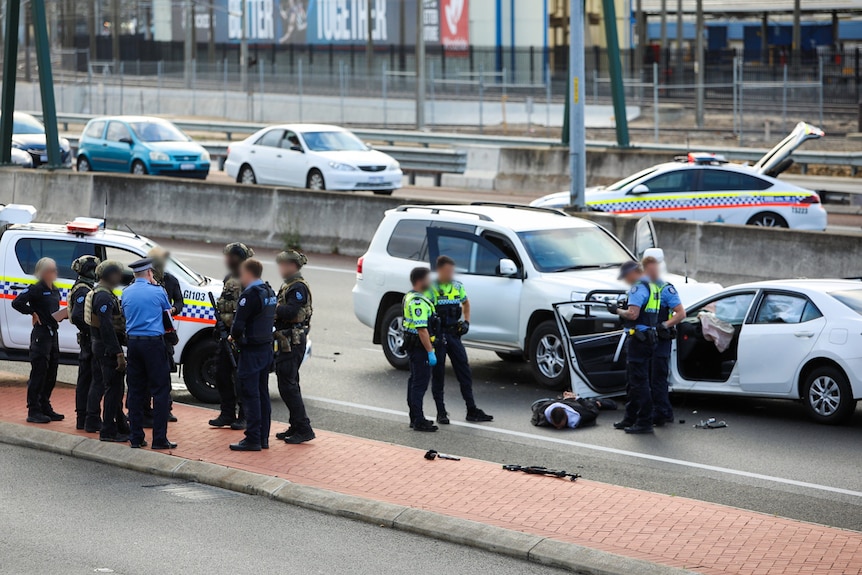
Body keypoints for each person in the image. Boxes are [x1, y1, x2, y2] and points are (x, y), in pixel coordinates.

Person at [426, 256, 493, 425]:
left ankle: (472, 410)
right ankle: (441, 412)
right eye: (447, 271)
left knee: (464, 371)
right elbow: (425, 313)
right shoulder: (431, 288)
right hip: (439, 337)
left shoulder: (457, 286)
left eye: (452, 271)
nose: (450, 274)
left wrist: (466, 322)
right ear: (439, 270)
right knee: (439, 374)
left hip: (454, 335)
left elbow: (466, 303)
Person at [122, 258, 176, 450]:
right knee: (160, 391)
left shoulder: (126, 292)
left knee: (135, 391)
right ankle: (159, 439)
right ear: (149, 273)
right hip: (153, 344)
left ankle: (136, 437)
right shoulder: (158, 291)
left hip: (134, 344)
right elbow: (167, 314)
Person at [229, 259, 277, 452]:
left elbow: (238, 325)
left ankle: (253, 439)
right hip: (266, 349)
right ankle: (263, 437)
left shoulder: (249, 295)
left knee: (251, 395)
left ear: (248, 273)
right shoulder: (269, 292)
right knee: (262, 394)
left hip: (252, 351)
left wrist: (233, 337)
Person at [608, 260, 660, 434]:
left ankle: (644, 422)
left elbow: (633, 313)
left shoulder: (637, 288)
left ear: (632, 273)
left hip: (639, 339)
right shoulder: (652, 286)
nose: (626, 280)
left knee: (639, 382)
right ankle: (630, 418)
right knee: (634, 381)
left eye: (626, 277)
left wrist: (617, 310)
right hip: (648, 337)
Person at [12, 257, 64, 423]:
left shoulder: (55, 289)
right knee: (39, 372)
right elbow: (17, 303)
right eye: (51, 270)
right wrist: (32, 312)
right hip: (41, 335)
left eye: (55, 269)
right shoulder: (36, 289)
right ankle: (33, 409)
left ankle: (44, 404)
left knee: (52, 371)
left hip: (53, 333)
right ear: (43, 272)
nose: (54, 273)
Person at [209, 242, 255, 430]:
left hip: (239, 336)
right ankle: (227, 413)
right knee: (221, 374)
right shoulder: (230, 278)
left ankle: (244, 415)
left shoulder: (248, 279)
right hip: (225, 334)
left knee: (240, 377)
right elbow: (224, 305)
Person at [272, 250, 315, 445]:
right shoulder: (289, 285)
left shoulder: (298, 287)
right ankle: (296, 425)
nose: (280, 268)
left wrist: (272, 308)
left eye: (282, 264)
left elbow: (293, 312)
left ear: (291, 266)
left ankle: (304, 428)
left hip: (293, 341)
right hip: (286, 340)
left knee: (287, 385)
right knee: (289, 383)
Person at [87, 261, 130, 443]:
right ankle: (108, 430)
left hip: (102, 347)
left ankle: (120, 426)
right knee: (113, 390)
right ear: (110, 275)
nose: (120, 277)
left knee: (115, 389)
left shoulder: (103, 293)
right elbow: (106, 327)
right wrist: (117, 353)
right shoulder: (104, 297)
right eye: (117, 274)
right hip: (107, 349)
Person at [642, 256, 686, 427]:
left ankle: (660, 413)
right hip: (647, 340)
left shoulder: (666, 289)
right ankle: (663, 411)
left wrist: (664, 325)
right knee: (649, 377)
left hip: (661, 340)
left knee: (657, 379)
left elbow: (681, 313)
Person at [148, 246, 184, 423]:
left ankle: (165, 409)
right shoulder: (144, 279)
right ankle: (144, 408)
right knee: (145, 373)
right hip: (148, 332)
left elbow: (179, 301)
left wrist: (174, 309)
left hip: (165, 331)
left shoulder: (171, 280)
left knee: (164, 373)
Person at [403, 267, 439, 432]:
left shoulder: (410, 296)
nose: (430, 282)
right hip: (420, 348)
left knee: (414, 382)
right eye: (428, 279)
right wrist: (430, 351)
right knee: (419, 384)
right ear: (420, 281)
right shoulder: (417, 302)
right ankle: (418, 420)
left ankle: (415, 417)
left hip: (414, 347)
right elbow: (422, 329)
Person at [69, 255, 101, 431]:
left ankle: (84, 417)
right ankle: (85, 417)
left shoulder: (86, 287)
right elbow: (77, 316)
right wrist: (93, 331)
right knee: (88, 380)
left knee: (87, 380)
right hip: (89, 342)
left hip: (88, 341)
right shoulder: (82, 290)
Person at [530, 392, 601, 429]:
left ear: (566, 416)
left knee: (596, 403)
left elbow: (593, 412)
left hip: (576, 403)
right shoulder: (542, 413)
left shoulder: (581, 414)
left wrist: (577, 398)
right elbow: (536, 410)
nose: (558, 428)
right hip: (562, 400)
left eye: (560, 425)